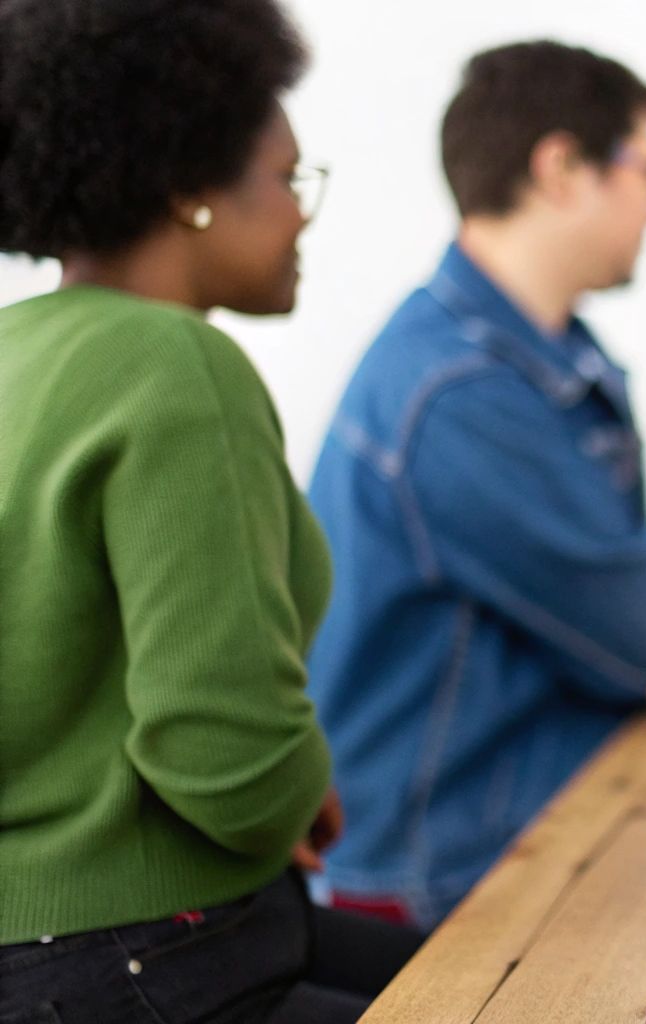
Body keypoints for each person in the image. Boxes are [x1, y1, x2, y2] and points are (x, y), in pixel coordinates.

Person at [0, 1, 419, 1020]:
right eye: (284, 179)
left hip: (40, 952)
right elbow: (218, 749)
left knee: (492, 963)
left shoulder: (17, 353)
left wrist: (272, 789)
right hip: (160, 952)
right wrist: (283, 788)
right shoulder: (179, 362)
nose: (302, 213)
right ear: (190, 185)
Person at [305, 40, 646, 928]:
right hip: (438, 875)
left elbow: (642, 624)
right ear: (561, 170)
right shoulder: (455, 392)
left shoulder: (532, 353)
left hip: (523, 820)